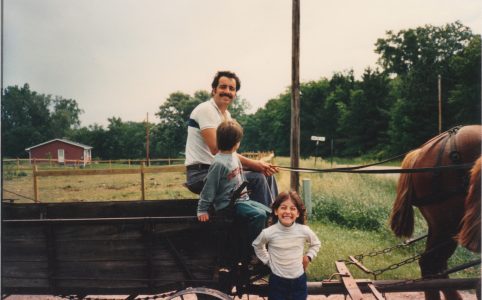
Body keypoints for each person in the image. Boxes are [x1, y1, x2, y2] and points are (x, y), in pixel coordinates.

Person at [185, 70, 278, 207]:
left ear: (235, 94)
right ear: (214, 90)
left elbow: (229, 154)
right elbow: (218, 150)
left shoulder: (226, 115)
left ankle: (274, 217)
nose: (227, 91)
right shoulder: (206, 110)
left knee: (267, 175)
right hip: (201, 173)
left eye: (231, 89)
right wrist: (254, 164)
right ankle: (264, 223)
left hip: (221, 170)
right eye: (223, 87)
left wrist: (259, 166)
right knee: (257, 178)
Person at [197, 120, 271, 257]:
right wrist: (202, 209)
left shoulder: (234, 157)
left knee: (268, 211)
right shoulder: (219, 163)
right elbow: (209, 187)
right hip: (228, 205)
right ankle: (253, 250)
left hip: (242, 199)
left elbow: (241, 176)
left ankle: (267, 243)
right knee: (259, 215)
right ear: (237, 143)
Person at [252, 191, 321, 300]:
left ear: (298, 213)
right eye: (283, 207)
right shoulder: (269, 232)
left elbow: (316, 243)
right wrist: (267, 260)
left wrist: (308, 257)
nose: (287, 212)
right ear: (276, 211)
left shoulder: (303, 230)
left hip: (298, 281)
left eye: (292, 208)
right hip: (277, 281)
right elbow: (257, 245)